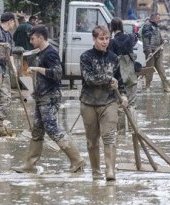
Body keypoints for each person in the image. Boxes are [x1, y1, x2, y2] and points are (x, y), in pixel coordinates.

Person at [13, 25, 85, 173]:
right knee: (37, 130)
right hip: (41, 96)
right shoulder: (40, 53)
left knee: (52, 129)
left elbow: (58, 73)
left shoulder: (50, 53)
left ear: (40, 37)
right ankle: (30, 164)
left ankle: (77, 159)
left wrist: (37, 69)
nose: (31, 41)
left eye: (33, 38)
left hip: (50, 96)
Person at [80, 26, 128, 181]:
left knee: (109, 137)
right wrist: (108, 79)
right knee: (92, 141)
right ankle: (95, 171)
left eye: (107, 38)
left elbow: (119, 79)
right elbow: (89, 78)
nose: (105, 42)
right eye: (101, 39)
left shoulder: (113, 58)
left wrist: (124, 95)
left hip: (109, 102)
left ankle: (110, 171)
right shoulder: (85, 57)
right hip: (88, 102)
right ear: (94, 39)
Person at [108, 18, 139, 132]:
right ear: (121, 26)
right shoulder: (130, 38)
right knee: (132, 105)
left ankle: (121, 133)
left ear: (112, 28)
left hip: (118, 79)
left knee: (120, 106)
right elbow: (136, 37)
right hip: (131, 76)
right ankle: (134, 131)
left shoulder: (111, 42)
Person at [141, 12, 170, 92]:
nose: (159, 19)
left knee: (162, 70)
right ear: (153, 18)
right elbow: (146, 41)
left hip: (158, 52)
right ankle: (147, 87)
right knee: (149, 71)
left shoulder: (157, 27)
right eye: (158, 18)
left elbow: (158, 38)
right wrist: (149, 52)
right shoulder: (147, 26)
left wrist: (163, 41)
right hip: (151, 53)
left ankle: (166, 87)